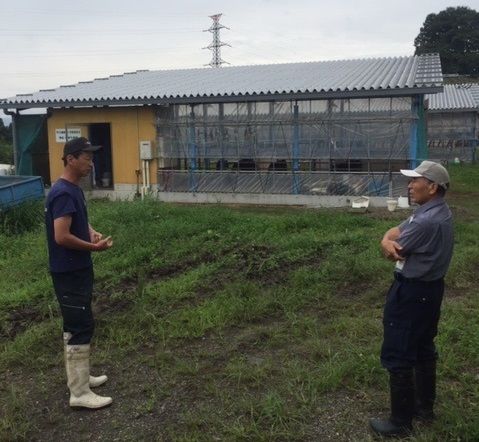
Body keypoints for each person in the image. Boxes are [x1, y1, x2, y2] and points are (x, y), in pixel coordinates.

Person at [369, 160, 454, 437]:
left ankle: (400, 421)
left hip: (412, 292)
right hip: (429, 292)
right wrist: (385, 238)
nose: (409, 185)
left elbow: (396, 247)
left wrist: (386, 244)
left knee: (399, 351)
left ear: (432, 187)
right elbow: (393, 233)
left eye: (415, 180)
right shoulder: (434, 212)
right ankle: (423, 407)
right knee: (422, 347)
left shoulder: (427, 221)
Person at [45, 137, 113, 409]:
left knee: (80, 322)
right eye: (86, 157)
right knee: (79, 325)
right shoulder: (63, 192)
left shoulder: (71, 189)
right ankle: (79, 394)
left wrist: (90, 230)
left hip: (77, 269)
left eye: (91, 157)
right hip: (69, 271)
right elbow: (61, 236)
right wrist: (93, 247)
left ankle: (81, 380)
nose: (91, 162)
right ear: (70, 159)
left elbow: (74, 223)